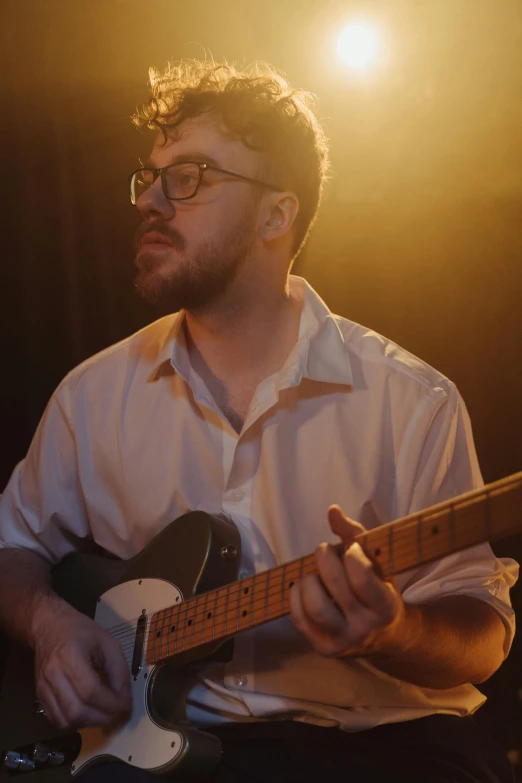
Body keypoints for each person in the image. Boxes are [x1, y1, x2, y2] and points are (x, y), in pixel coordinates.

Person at [0, 60, 518, 783]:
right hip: (164, 746)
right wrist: (52, 628)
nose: (150, 199)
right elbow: (11, 546)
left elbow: (483, 634)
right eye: (149, 178)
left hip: (384, 744)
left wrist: (395, 629)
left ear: (277, 214)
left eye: (190, 177)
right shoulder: (92, 394)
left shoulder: (412, 398)